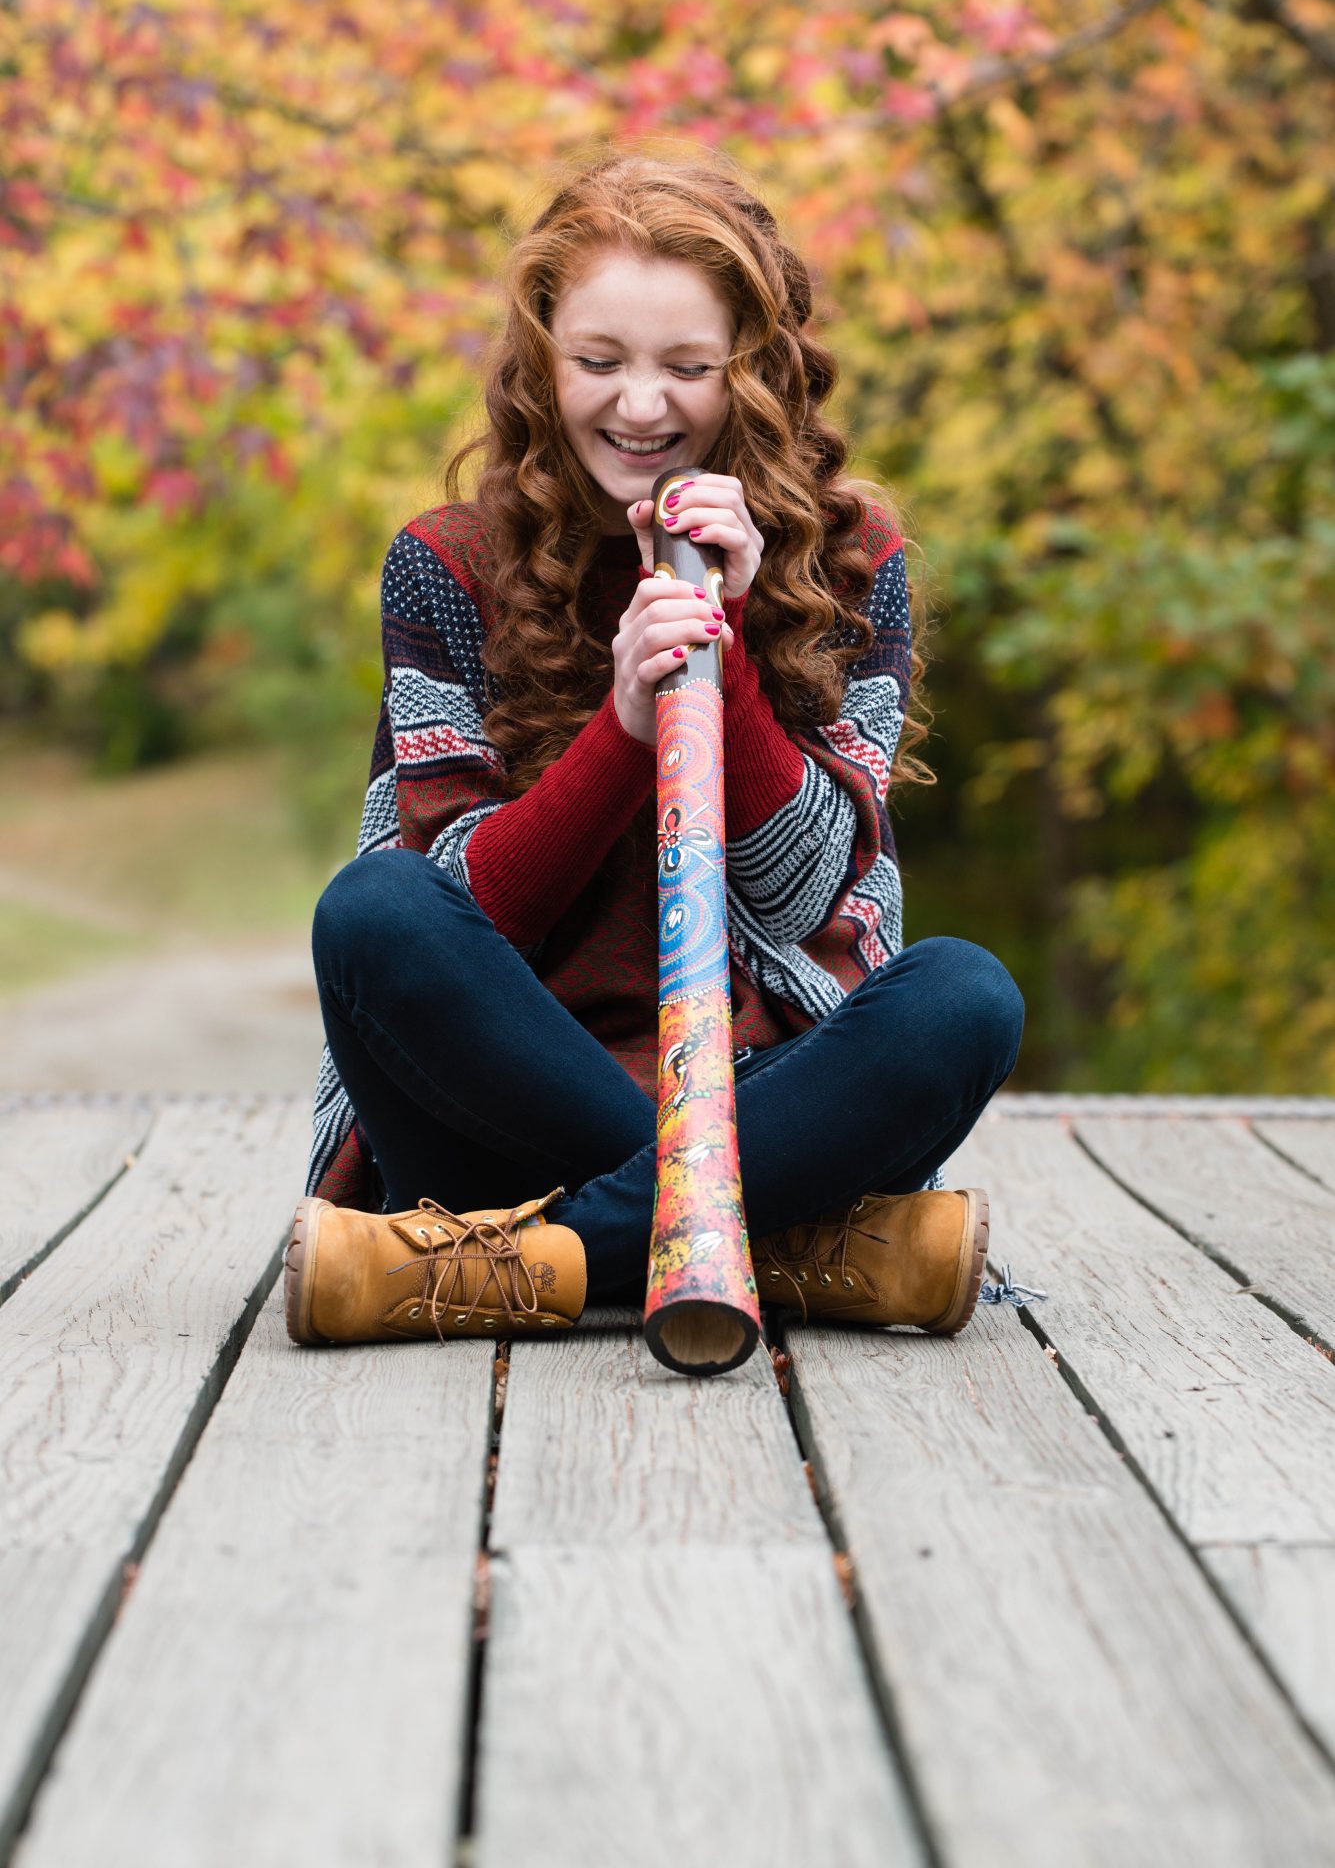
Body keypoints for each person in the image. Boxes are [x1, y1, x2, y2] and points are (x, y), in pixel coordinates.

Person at [284, 148, 1024, 1349]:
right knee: (373, 912)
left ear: (760, 369)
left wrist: (722, 655)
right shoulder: (448, 561)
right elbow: (468, 904)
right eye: (598, 362)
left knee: (964, 998)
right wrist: (626, 728)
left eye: (689, 367)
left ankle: (518, 1263)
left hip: (763, 1093)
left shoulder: (852, 565)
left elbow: (801, 897)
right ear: (542, 364)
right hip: (495, 1105)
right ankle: (787, 1248)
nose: (640, 405)